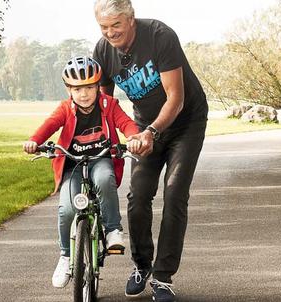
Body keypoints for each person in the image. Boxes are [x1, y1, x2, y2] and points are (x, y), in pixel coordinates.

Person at [92, 0, 209, 301]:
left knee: (174, 193)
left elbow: (176, 98)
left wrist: (151, 132)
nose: (110, 33)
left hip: (185, 123)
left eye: (116, 25)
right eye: (104, 27)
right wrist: (104, 138)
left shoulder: (160, 36)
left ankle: (163, 276)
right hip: (145, 125)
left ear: (131, 19)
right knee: (139, 195)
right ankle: (142, 265)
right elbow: (104, 104)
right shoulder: (103, 51)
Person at [23, 56, 142, 288]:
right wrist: (34, 141)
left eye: (89, 87)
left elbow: (126, 123)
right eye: (77, 89)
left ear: (98, 86)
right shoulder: (65, 109)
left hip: (101, 159)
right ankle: (66, 256)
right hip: (72, 163)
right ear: (69, 89)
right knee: (66, 209)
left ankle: (112, 231)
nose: (84, 94)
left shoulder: (109, 105)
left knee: (104, 179)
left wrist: (134, 137)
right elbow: (49, 125)